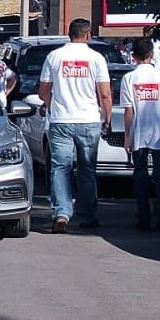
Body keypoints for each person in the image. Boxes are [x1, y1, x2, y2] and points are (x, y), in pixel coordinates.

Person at [38, 19, 112, 233]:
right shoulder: (96, 58)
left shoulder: (54, 56)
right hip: (88, 119)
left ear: (68, 34)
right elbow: (105, 93)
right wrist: (106, 116)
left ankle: (61, 212)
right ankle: (87, 215)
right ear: (88, 35)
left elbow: (43, 90)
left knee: (60, 168)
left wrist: (52, 105)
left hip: (61, 120)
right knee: (87, 169)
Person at [120, 37, 160, 232]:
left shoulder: (129, 78)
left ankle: (143, 214)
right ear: (152, 55)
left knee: (140, 174)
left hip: (139, 132)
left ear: (133, 56)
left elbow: (128, 110)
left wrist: (127, 135)